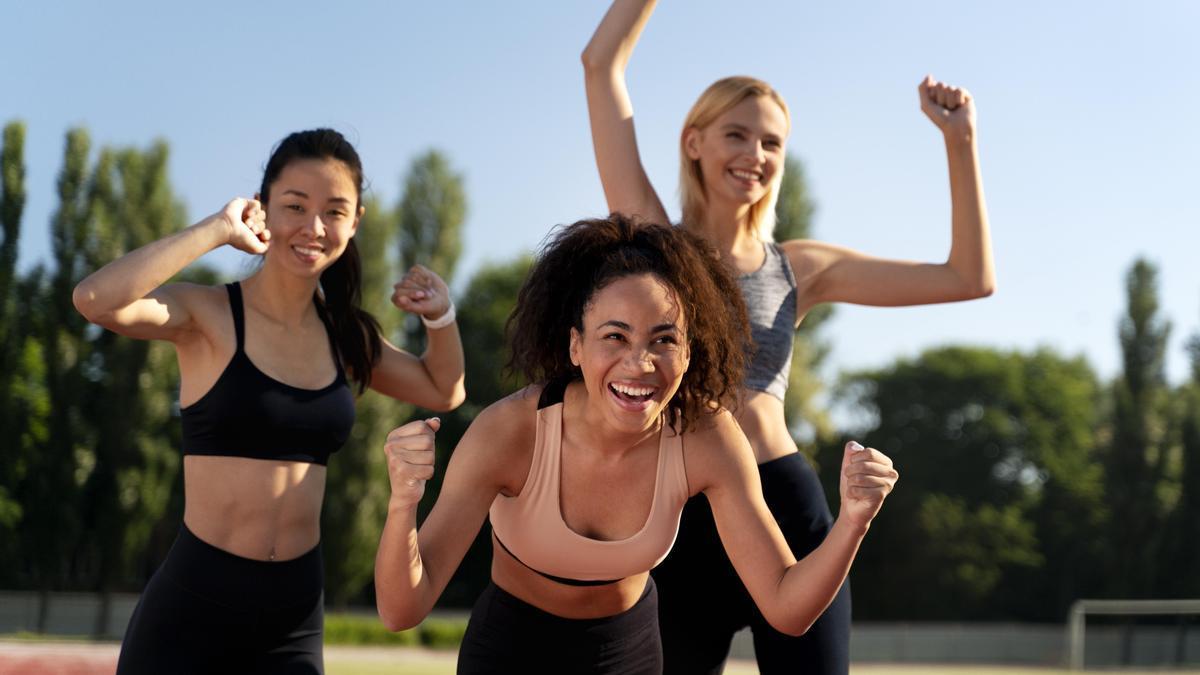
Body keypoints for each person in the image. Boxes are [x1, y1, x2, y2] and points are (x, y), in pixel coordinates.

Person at [581, 2, 995, 673]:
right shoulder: (657, 244)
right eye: (737, 135)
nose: (756, 155)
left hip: (784, 506)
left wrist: (960, 140)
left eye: (772, 143)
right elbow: (600, 66)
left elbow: (967, 276)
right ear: (695, 141)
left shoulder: (797, 266)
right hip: (683, 512)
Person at [373, 215, 898, 674]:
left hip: (629, 652)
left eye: (663, 340)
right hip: (511, 648)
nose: (639, 364)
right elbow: (403, 610)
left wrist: (853, 520)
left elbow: (787, 608)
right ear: (575, 344)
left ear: (690, 351)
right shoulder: (511, 433)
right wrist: (402, 502)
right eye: (615, 337)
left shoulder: (707, 438)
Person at [72, 128, 466, 674]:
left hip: (294, 614)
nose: (313, 227)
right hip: (193, 608)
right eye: (295, 206)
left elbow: (443, 390)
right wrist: (216, 229)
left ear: (356, 223)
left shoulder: (346, 339)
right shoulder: (207, 315)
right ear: (263, 209)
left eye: (334, 211)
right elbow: (94, 299)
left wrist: (440, 317)